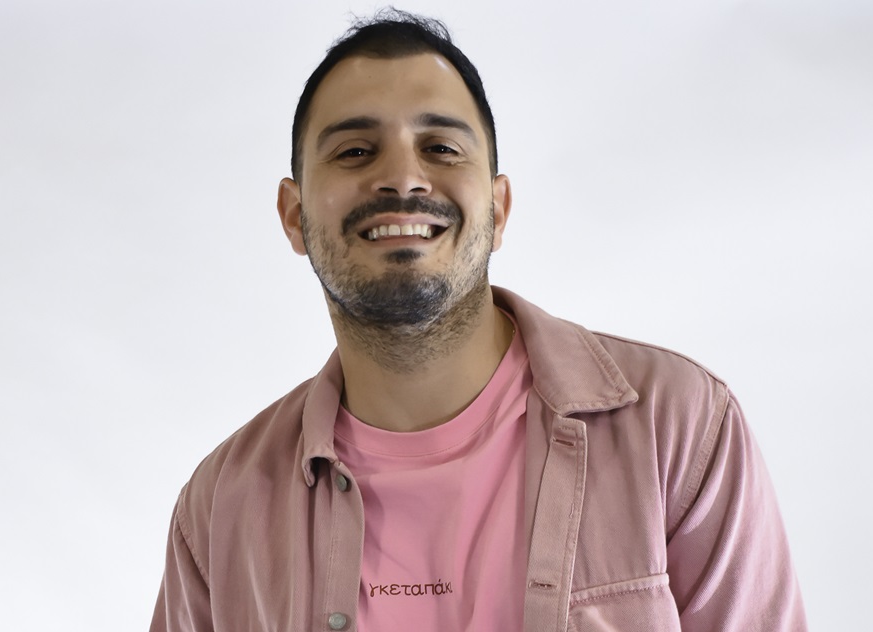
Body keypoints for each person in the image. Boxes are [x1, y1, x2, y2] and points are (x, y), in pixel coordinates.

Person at [150, 10, 806, 631]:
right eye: (354, 151)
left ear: (498, 209)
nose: (402, 178)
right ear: (294, 216)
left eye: (440, 147)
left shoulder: (677, 427)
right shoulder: (219, 512)